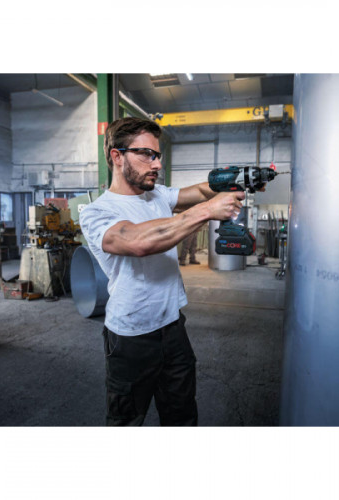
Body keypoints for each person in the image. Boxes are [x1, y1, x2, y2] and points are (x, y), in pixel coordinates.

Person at [79, 117, 244, 426]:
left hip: (173, 327)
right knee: (126, 421)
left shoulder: (157, 195)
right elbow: (138, 241)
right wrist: (208, 210)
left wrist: (236, 180)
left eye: (158, 155)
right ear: (117, 156)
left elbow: (199, 191)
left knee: (182, 415)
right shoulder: (96, 212)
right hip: (130, 336)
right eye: (147, 154)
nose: (157, 164)